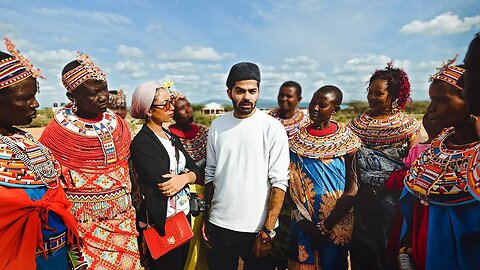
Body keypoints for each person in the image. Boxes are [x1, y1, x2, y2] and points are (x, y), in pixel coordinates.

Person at [39, 52, 141, 269]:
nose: (104, 96)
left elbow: (131, 169)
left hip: (124, 223)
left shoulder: (119, 125)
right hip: (83, 230)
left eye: (105, 89)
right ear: (71, 96)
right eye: (94, 93)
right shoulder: (56, 134)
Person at [0, 38, 86, 269]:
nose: (35, 103)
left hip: (56, 257)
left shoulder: (28, 141)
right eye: (23, 98)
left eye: (34, 94)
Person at [203, 62, 290, 270]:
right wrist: (207, 216)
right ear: (229, 92)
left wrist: (268, 231)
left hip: (258, 228)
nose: (247, 97)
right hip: (220, 224)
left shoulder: (272, 128)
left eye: (252, 91)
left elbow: (279, 181)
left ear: (259, 92)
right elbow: (210, 173)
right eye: (240, 91)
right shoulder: (217, 125)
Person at [400, 59, 480, 270]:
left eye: (441, 100)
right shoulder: (438, 146)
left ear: (471, 98)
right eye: (431, 100)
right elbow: (416, 204)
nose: (431, 109)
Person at [348, 62, 420, 270]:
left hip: (393, 199)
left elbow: (412, 166)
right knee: (364, 249)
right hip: (361, 197)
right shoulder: (355, 126)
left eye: (378, 94)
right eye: (370, 92)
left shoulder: (407, 127)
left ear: (394, 96)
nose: (371, 97)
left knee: (390, 248)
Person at [288, 85, 361, 270]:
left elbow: (353, 186)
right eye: (313, 103)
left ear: (335, 110)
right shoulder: (297, 141)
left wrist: (327, 224)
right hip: (304, 220)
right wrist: (303, 220)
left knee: (333, 263)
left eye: (322, 105)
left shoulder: (347, 140)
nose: (315, 108)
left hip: (337, 219)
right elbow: (292, 183)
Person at [130, 81, 200, 270]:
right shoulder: (143, 143)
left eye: (172, 102)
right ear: (149, 111)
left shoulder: (171, 137)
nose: (172, 108)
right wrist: (186, 175)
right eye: (165, 104)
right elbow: (165, 184)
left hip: (182, 217)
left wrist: (184, 178)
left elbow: (196, 170)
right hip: (162, 222)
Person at [268, 81, 308, 269]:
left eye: (289, 96)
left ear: (298, 99)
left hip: (296, 186)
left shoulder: (306, 124)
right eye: (281, 95)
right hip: (270, 182)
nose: (284, 99)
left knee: (290, 226)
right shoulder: (268, 120)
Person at [168, 93, 209, 270]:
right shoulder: (168, 135)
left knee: (202, 240)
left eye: (189, 105)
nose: (188, 110)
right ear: (172, 113)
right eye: (182, 108)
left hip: (206, 191)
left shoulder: (205, 132)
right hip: (180, 196)